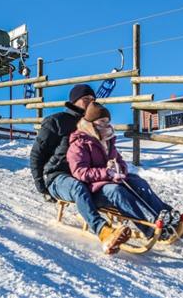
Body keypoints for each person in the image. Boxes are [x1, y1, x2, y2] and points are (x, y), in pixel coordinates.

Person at [68, 102, 183, 248]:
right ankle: (152, 228)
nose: (106, 125)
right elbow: (79, 172)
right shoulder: (79, 143)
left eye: (108, 121)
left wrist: (119, 170)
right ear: (91, 123)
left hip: (112, 180)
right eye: (102, 121)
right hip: (95, 190)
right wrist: (107, 172)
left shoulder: (107, 141)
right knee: (117, 191)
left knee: (139, 183)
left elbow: (120, 161)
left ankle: (175, 222)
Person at [29, 84, 129, 254]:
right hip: (59, 175)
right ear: (74, 101)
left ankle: (153, 223)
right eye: (86, 100)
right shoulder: (57, 121)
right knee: (77, 187)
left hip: (87, 174)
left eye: (93, 100)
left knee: (125, 184)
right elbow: (37, 155)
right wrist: (42, 186)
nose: (90, 103)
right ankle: (103, 231)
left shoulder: (94, 124)